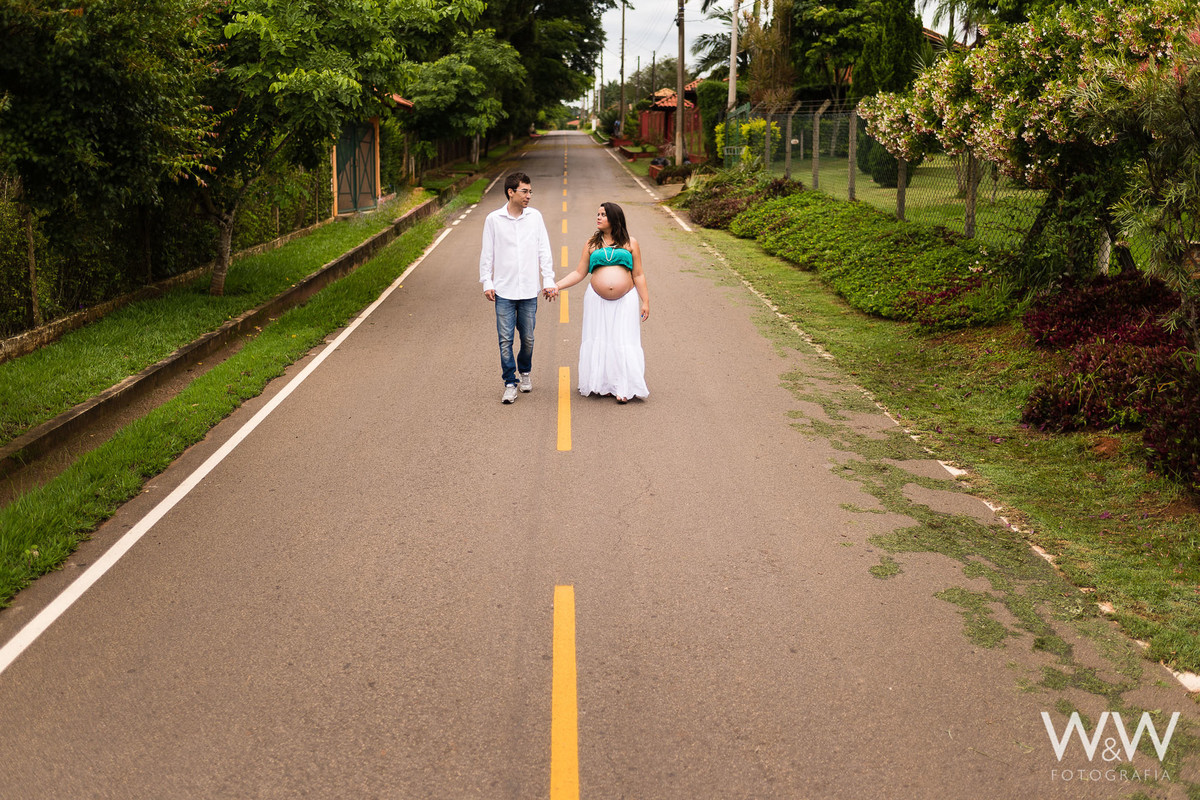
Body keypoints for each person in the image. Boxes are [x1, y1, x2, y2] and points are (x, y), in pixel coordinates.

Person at [548, 202, 648, 403]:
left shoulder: (631, 243)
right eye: (598, 214)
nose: (599, 217)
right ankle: (603, 385)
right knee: (601, 338)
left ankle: (623, 387)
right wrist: (556, 285)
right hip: (597, 299)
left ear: (614, 218)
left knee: (622, 339)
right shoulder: (591, 244)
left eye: (603, 214)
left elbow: (638, 274)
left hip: (626, 299)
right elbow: (579, 272)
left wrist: (645, 301)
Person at [479, 172, 556, 404]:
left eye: (530, 191)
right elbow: (487, 253)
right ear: (511, 192)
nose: (529, 196)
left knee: (528, 338)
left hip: (529, 290)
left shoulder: (535, 217)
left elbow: (544, 249)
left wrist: (548, 279)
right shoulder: (493, 219)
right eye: (524, 191)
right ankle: (510, 382)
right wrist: (487, 281)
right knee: (505, 340)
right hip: (503, 290)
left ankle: (525, 372)